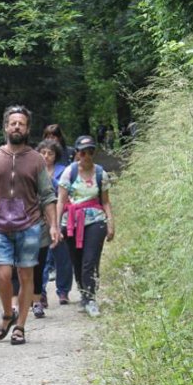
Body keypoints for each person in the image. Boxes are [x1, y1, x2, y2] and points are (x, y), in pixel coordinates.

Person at [0, 105, 60, 345]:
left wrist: (53, 226)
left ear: (27, 128)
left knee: (26, 275)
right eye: (12, 123)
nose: (16, 126)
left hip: (29, 226)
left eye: (21, 123)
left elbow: (48, 195)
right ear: (5, 127)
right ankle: (9, 313)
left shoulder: (37, 160)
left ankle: (20, 327)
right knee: (3, 275)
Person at [56, 135, 115, 317]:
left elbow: (105, 202)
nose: (87, 156)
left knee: (90, 260)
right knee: (77, 260)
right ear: (77, 153)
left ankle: (91, 298)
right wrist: (56, 226)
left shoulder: (100, 173)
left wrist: (110, 223)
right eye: (83, 152)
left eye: (90, 151)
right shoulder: (69, 172)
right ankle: (83, 293)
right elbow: (61, 200)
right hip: (72, 222)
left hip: (95, 220)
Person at [36, 139, 74, 307]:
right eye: (43, 152)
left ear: (56, 155)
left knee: (63, 256)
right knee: (42, 257)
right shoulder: (34, 171)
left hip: (61, 216)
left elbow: (69, 192)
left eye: (50, 153)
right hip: (39, 218)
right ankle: (41, 293)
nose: (46, 156)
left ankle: (63, 291)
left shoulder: (64, 171)